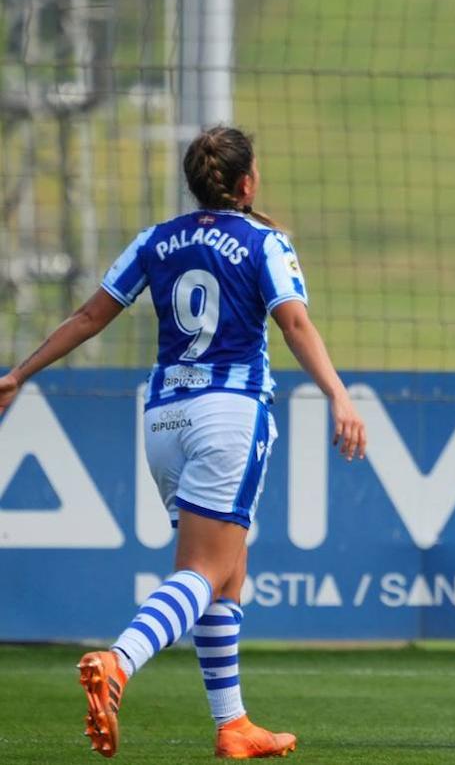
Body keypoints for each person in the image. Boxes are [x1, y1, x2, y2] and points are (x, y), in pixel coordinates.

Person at [0, 126, 365, 759]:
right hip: (229, 412)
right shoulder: (264, 241)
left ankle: (233, 725)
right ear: (247, 182)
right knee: (206, 569)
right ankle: (119, 661)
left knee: (227, 576)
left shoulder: (155, 240)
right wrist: (338, 392)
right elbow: (294, 320)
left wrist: (18, 374)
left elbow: (90, 317)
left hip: (165, 416)